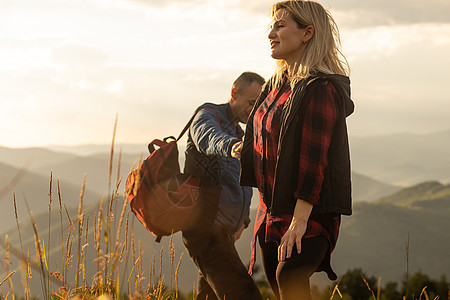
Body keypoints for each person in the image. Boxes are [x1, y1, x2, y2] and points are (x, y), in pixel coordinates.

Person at [240, 1, 354, 300]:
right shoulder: (276, 85)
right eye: (271, 26)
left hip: (308, 210)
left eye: (280, 25)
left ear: (307, 33)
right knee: (281, 291)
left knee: (288, 277)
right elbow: (266, 134)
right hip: (271, 207)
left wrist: (299, 222)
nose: (271, 34)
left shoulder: (320, 87)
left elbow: (314, 159)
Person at [182, 71, 265, 300]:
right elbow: (206, 136)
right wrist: (231, 146)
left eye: (258, 104)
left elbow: (242, 185)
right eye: (251, 102)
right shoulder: (208, 115)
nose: (254, 109)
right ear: (234, 93)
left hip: (223, 233)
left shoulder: (240, 132)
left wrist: (244, 222)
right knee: (244, 294)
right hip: (205, 228)